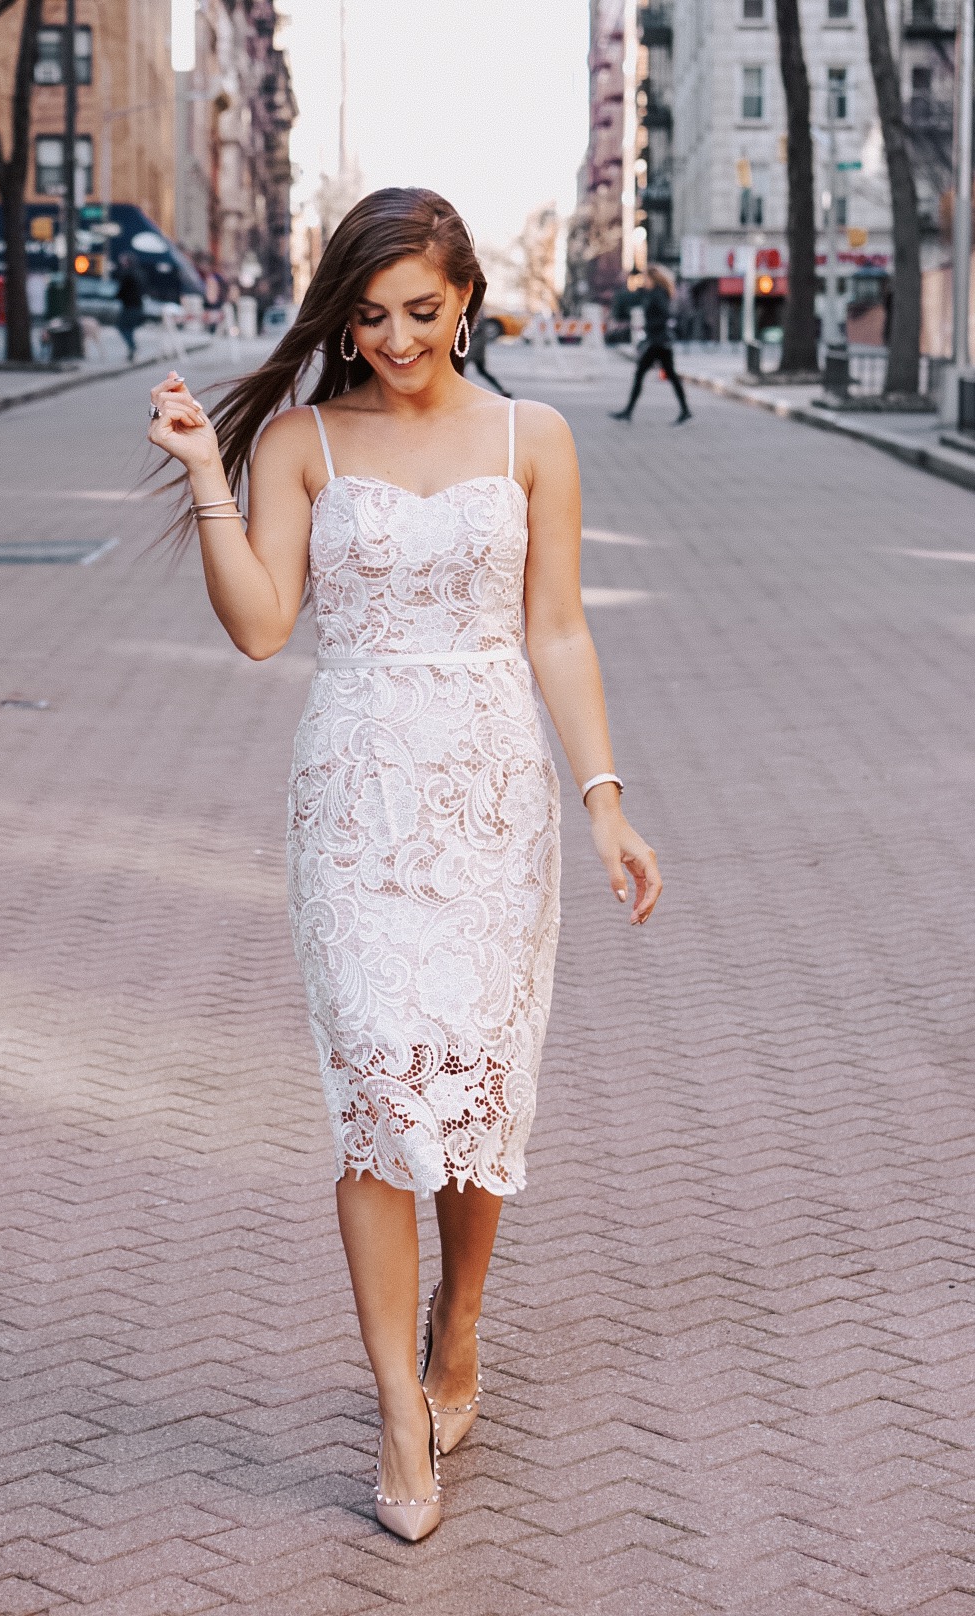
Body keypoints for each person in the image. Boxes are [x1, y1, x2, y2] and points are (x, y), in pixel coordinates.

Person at [147, 188, 662, 1544]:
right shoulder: (307, 442)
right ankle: (394, 1407)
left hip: (497, 795)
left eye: (420, 313)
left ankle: (461, 1320)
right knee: (381, 1089)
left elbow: (556, 630)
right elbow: (264, 628)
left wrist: (605, 800)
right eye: (368, 317)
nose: (393, 339)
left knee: (481, 1090)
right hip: (360, 793)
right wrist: (209, 471)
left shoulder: (532, 435)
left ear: (468, 302)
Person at [611, 265, 691, 423]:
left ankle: (628, 412)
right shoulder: (653, 293)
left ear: (653, 279)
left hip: (658, 342)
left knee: (641, 373)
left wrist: (652, 328)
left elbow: (664, 315)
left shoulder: (658, 295)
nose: (644, 281)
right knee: (670, 376)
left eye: (646, 278)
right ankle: (685, 410)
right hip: (658, 342)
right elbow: (637, 295)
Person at [465, 304, 511, 396]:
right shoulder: (476, 304)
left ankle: (462, 393)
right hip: (477, 345)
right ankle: (502, 390)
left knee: (459, 368)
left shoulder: (476, 305)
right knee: (482, 371)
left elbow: (476, 325)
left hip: (474, 345)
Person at [115, 252, 145, 362]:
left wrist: (117, 296)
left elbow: (122, 290)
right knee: (129, 328)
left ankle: (132, 347)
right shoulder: (139, 273)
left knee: (123, 327)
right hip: (137, 305)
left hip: (129, 305)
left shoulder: (127, 273)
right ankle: (132, 348)